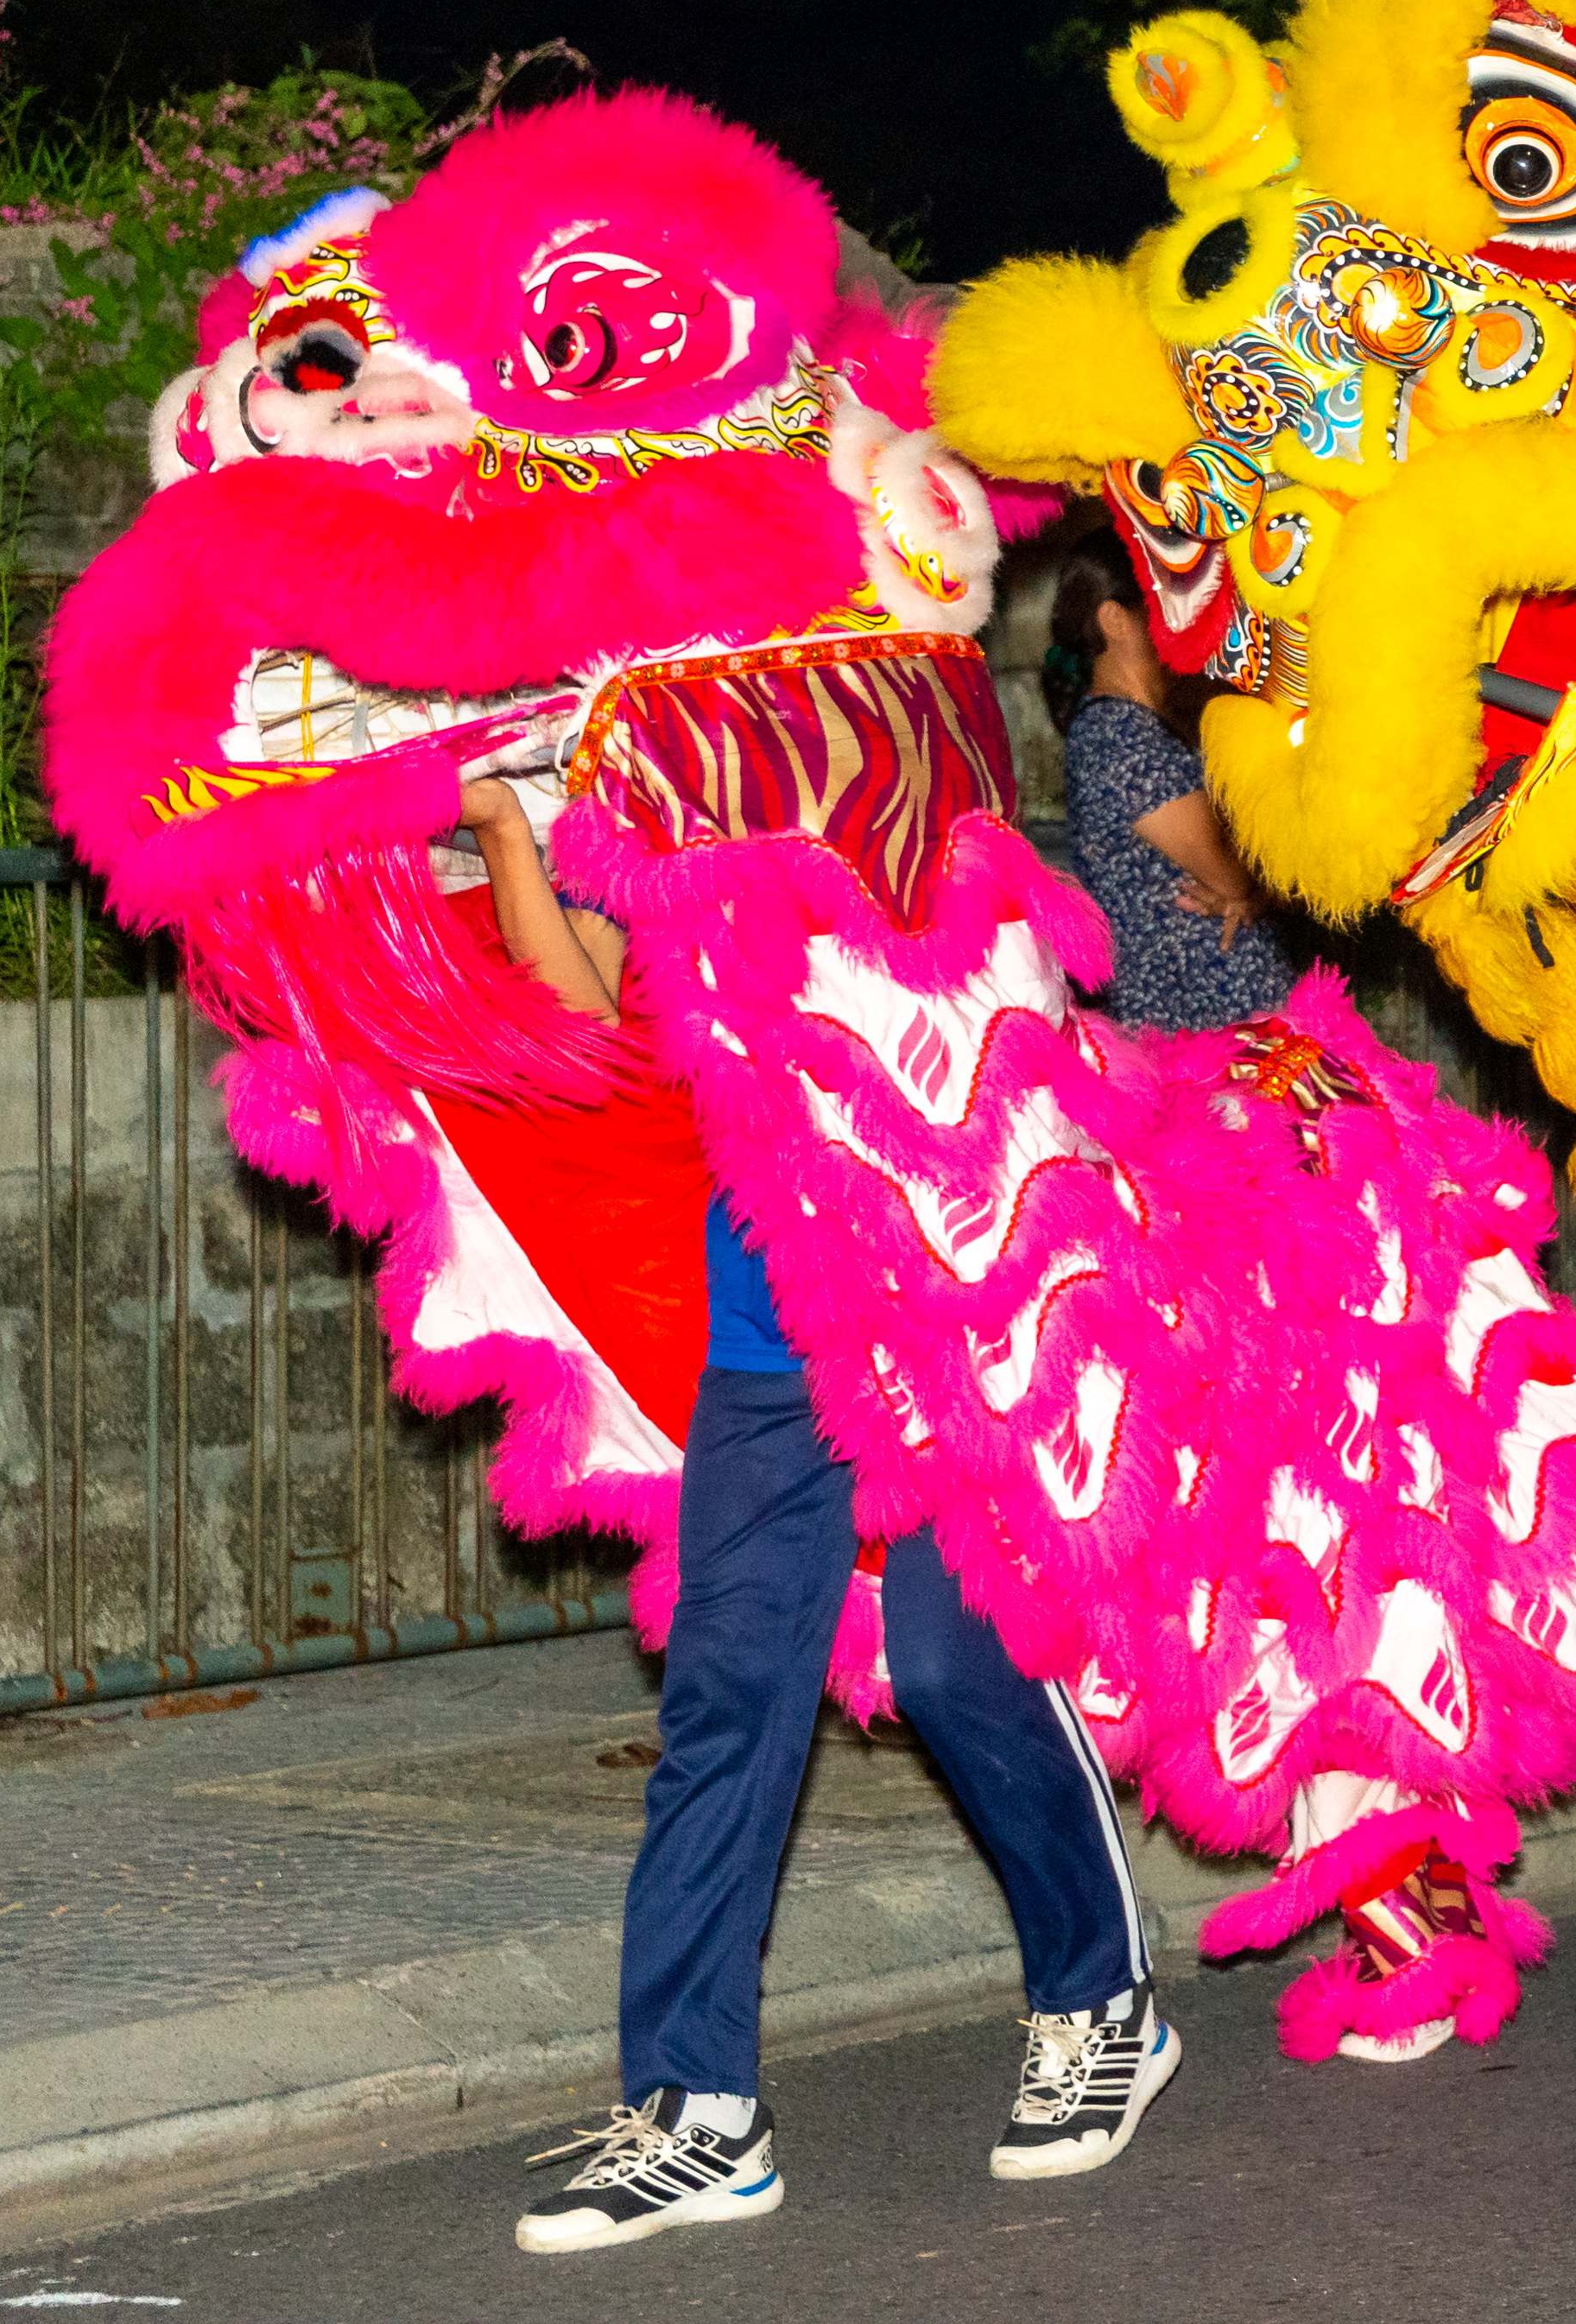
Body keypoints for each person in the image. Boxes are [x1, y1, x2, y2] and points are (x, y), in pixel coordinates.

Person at [454, 761, 1177, 2253]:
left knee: (956, 1658)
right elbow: (594, 1007)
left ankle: (1097, 1990)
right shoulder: (655, 768)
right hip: (768, 1340)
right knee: (723, 1693)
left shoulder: (877, 742)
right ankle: (698, 2106)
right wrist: (513, 826)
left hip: (940, 1304)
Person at [1022, 518, 1307, 1039]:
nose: (1183, 621)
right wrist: (1259, 892)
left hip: (1228, 1025)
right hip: (1193, 1034)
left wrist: (1261, 891)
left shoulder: (1157, 723)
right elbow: (1237, 872)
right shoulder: (1118, 733)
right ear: (1115, 620)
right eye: (1164, 606)